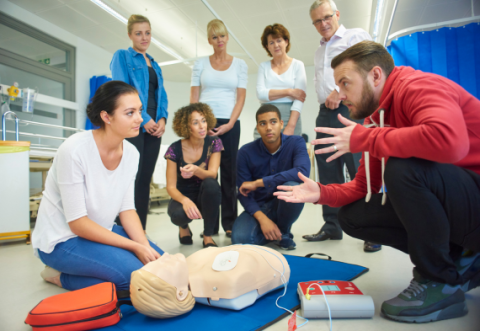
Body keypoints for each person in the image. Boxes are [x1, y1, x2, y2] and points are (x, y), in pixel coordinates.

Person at [275, 40, 480, 323]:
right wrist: (319, 192)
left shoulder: (417, 86)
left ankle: (439, 281)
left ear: (374, 75)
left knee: (403, 167)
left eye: (345, 83)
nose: (340, 94)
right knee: (354, 216)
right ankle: (460, 257)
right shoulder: (377, 118)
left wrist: (366, 138)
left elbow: (450, 142)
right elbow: (362, 188)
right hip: (464, 204)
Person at [32, 81, 164, 292]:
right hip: (62, 240)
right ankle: (58, 276)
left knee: (160, 268)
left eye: (139, 111)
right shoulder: (74, 150)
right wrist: (134, 246)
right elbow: (77, 224)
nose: (140, 118)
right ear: (106, 117)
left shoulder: (131, 154)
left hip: (102, 231)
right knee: (133, 281)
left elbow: (127, 209)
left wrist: (144, 246)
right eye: (130, 113)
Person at [304, 0, 380, 253]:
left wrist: (339, 91)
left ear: (337, 14)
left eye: (327, 17)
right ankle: (332, 225)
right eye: (317, 21)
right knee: (327, 169)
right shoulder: (319, 51)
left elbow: (367, 67)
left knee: (361, 169)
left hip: (352, 109)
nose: (323, 24)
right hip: (325, 112)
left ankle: (373, 229)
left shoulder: (354, 36)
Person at [190, 19, 248, 239]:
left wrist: (230, 124)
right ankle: (210, 225)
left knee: (229, 175)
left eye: (222, 35)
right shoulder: (200, 63)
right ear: (209, 40)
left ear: (227, 36)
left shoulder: (240, 64)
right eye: (215, 37)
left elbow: (241, 97)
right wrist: (196, 123)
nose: (219, 40)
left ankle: (230, 222)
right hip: (205, 123)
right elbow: (194, 96)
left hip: (230, 123)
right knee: (207, 176)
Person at [110, 14, 168, 232]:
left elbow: (162, 95)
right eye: (138, 33)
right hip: (134, 124)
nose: (144, 37)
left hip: (154, 128)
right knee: (129, 180)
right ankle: (121, 232)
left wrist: (161, 119)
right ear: (129, 35)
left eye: (147, 33)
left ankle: (139, 231)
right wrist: (144, 119)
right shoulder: (123, 56)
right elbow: (122, 91)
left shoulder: (154, 64)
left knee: (144, 180)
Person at [232, 104, 310, 250]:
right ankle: (274, 230)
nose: (268, 127)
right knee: (240, 240)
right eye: (263, 123)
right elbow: (243, 193)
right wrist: (262, 219)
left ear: (281, 124)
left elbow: (303, 172)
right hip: (259, 206)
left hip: (284, 202)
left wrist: (259, 183)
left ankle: (284, 230)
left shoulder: (296, 143)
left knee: (294, 188)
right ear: (258, 127)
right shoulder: (245, 152)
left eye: (273, 122)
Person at [165, 103, 223, 248]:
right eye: (195, 123)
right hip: (182, 195)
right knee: (178, 216)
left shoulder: (214, 142)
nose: (202, 126)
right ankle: (183, 227)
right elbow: (170, 187)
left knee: (212, 184)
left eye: (203, 121)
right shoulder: (174, 149)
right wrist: (185, 201)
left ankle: (208, 235)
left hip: (204, 194)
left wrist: (196, 170)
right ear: (186, 126)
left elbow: (212, 174)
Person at [255, 23, 307, 139]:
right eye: (271, 43)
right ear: (267, 46)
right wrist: (289, 92)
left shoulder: (298, 65)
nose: (276, 45)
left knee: (288, 154)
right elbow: (261, 94)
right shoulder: (263, 66)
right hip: (265, 115)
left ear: (286, 41)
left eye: (279, 40)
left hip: (291, 116)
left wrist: (291, 126)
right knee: (262, 153)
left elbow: (300, 98)